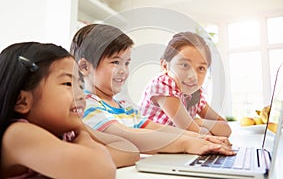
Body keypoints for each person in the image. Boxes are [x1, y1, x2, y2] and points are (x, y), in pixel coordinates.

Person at [70, 23, 235, 155]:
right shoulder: (86, 104)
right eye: (115, 62)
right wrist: (186, 143)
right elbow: (125, 135)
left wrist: (201, 138)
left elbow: (152, 127)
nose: (123, 71)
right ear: (84, 66)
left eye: (126, 63)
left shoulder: (123, 107)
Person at [0, 42, 137, 178]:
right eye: (67, 83)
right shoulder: (19, 134)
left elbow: (130, 150)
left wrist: (86, 148)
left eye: (80, 85)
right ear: (23, 101)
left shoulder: (65, 133)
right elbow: (102, 170)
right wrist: (84, 138)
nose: (81, 95)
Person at [138, 32, 232, 137]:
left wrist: (198, 122)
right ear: (165, 65)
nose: (193, 76)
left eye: (201, 68)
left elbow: (226, 129)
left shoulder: (195, 94)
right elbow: (197, 134)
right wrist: (201, 128)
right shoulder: (162, 85)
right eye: (184, 65)